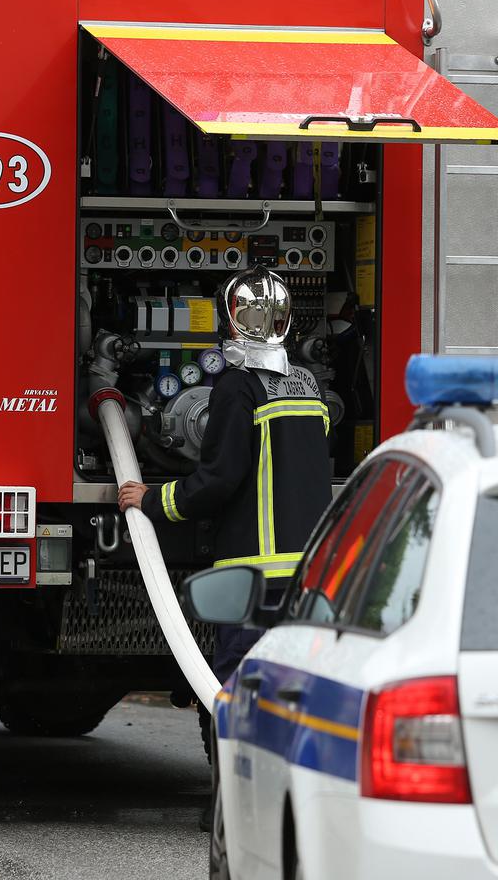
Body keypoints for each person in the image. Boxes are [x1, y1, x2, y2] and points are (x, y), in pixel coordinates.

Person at [118, 266, 331, 684]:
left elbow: (219, 479)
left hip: (253, 577)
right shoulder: (311, 384)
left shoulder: (237, 387)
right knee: (295, 684)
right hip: (309, 575)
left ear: (230, 320)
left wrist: (152, 500)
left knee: (241, 687)